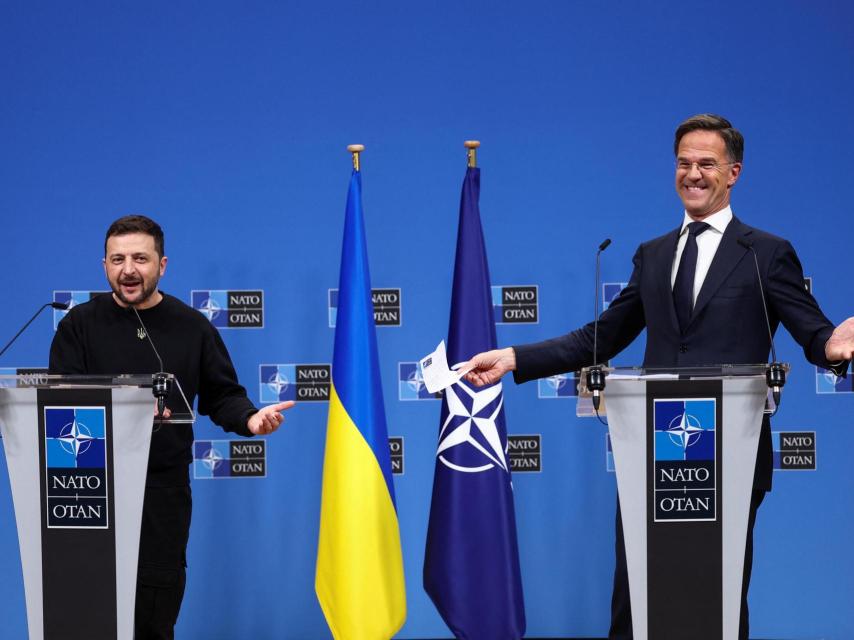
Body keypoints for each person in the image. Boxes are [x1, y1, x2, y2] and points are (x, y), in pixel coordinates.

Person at [462, 114, 854, 640]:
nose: (693, 174)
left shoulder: (765, 253)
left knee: (717, 598)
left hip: (728, 454)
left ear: (733, 172)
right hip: (654, 452)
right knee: (636, 596)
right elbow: (599, 338)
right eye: (684, 163)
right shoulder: (653, 255)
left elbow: (812, 330)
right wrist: (514, 357)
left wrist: (831, 347)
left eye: (707, 164)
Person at [49, 214, 294, 639]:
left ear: (162, 265)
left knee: (153, 617)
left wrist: (250, 418)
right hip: (88, 490)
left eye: (140, 258)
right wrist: (127, 415)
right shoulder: (78, 326)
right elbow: (61, 406)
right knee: (84, 614)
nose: (128, 269)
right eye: (117, 259)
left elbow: (222, 395)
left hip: (160, 492)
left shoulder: (191, 326)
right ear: (104, 265)